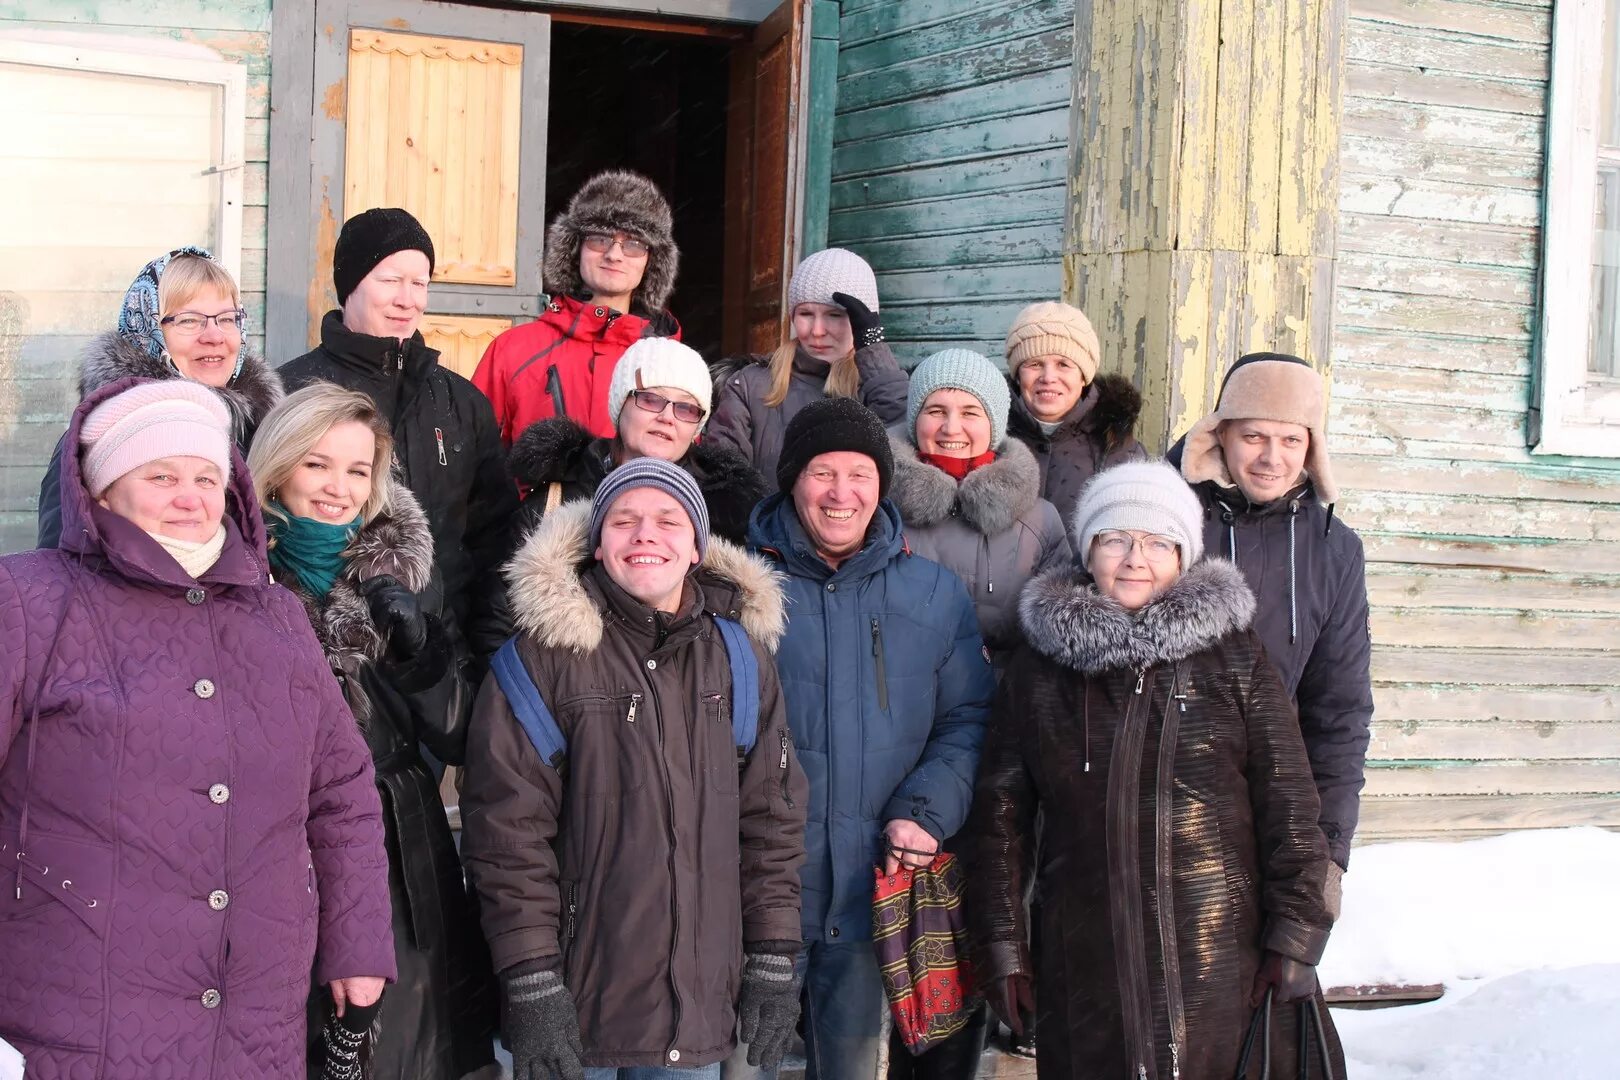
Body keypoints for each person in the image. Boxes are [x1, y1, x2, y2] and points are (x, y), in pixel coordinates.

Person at [0, 379, 396, 1078]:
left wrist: (357, 947)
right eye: (161, 476)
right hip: (75, 1015)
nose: (190, 497)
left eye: (207, 478)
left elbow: (341, 791)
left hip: (254, 1021)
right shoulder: (29, 602)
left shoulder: (273, 617)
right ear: (100, 491)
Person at [967, 461, 1344, 1079]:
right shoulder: (1041, 672)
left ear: (1183, 556)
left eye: (1157, 542)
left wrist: (1298, 932)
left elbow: (1291, 803)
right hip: (1082, 962)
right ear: (1089, 550)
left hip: (1223, 963)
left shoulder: (1233, 658)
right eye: (1115, 538)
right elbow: (998, 822)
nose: (1135, 558)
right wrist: (1003, 949)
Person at [460, 458, 808, 1079]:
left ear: (698, 546)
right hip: (575, 1005)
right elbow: (507, 838)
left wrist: (773, 955)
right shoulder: (543, 658)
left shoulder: (741, 658)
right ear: (598, 544)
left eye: (669, 521)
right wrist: (533, 981)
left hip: (696, 1008)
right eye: (625, 520)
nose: (646, 534)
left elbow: (772, 821)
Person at [730, 397, 994, 1079]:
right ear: (792, 479)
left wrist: (926, 810)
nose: (841, 494)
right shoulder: (737, 592)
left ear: (882, 484)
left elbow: (968, 719)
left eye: (859, 474)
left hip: (871, 896)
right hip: (749, 905)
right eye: (822, 473)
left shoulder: (934, 595)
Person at [245, 384, 496, 1080]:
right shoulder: (236, 579)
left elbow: (458, 737)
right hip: (275, 851)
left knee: (401, 1055)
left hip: (398, 849)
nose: (338, 489)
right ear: (278, 466)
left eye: (358, 471)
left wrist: (421, 655)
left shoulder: (400, 574)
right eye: (318, 465)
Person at [279, 207, 518, 683]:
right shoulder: (292, 391)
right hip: (321, 662)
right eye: (391, 280)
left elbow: (495, 540)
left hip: (439, 664)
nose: (408, 300)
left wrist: (480, 657)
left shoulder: (462, 403)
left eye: (421, 283)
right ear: (350, 284)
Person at [1173, 352, 1373, 917]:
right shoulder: (1168, 520)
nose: (1271, 458)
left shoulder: (1334, 550)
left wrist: (1329, 850)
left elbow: (1339, 710)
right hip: (1163, 807)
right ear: (1220, 434)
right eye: (1254, 435)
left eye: (1291, 440)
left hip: (1274, 814)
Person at [37, 246, 283, 547]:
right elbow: (62, 563)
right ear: (148, 329)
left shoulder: (264, 429)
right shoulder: (101, 437)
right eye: (189, 321)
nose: (214, 336)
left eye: (228, 319)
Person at [888, 348, 1071, 663]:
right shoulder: (875, 509)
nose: (951, 428)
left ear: (994, 425)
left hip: (1007, 704)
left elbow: (1059, 637)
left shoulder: (1041, 521)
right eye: (935, 411)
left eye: (970, 412)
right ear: (915, 420)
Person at [474, 170, 681, 444]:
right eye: (600, 238)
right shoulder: (513, 350)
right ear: (575, 248)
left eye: (633, 244)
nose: (614, 254)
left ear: (651, 261)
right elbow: (471, 456)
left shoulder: (672, 362)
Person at [507, 336, 766, 543]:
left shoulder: (722, 518)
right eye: (651, 399)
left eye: (686, 408)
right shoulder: (554, 500)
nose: (667, 417)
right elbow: (502, 603)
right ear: (621, 406)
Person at [707, 248, 908, 491]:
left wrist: (872, 348)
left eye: (835, 315)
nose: (817, 330)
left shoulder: (876, 389)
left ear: (861, 321)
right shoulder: (749, 385)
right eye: (805, 314)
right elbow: (723, 478)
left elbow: (902, 439)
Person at [1002, 301, 1143, 521]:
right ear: (1018, 376)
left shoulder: (1120, 450)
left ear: (1083, 377)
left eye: (1063, 364)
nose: (1048, 378)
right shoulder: (987, 438)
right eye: (1035, 364)